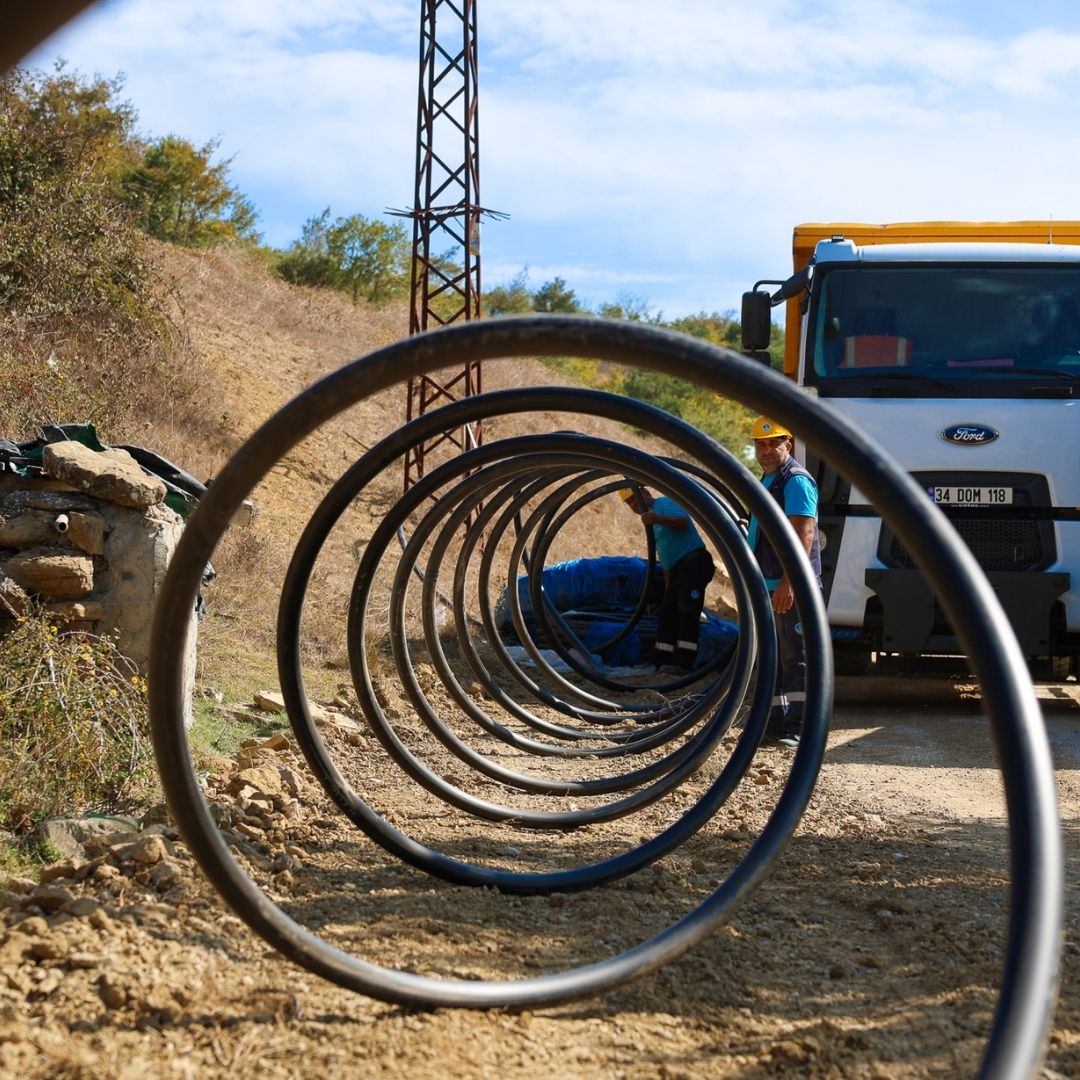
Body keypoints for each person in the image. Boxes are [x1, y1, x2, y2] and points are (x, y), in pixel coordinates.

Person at [747, 417, 822, 749]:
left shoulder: (795, 482)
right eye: (760, 444)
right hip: (768, 582)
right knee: (774, 657)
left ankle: (799, 727)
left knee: (796, 656)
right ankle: (776, 724)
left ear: (788, 444)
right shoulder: (768, 480)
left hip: (789, 585)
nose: (766, 450)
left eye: (773, 443)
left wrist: (789, 584)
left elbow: (803, 536)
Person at [619, 485, 715, 674]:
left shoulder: (662, 504)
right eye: (628, 502)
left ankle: (683, 663)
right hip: (677, 570)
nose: (633, 504)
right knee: (668, 612)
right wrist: (668, 583)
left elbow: (682, 523)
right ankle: (660, 660)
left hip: (694, 562)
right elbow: (664, 556)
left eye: (634, 498)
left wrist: (656, 518)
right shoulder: (650, 521)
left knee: (687, 610)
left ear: (646, 493)